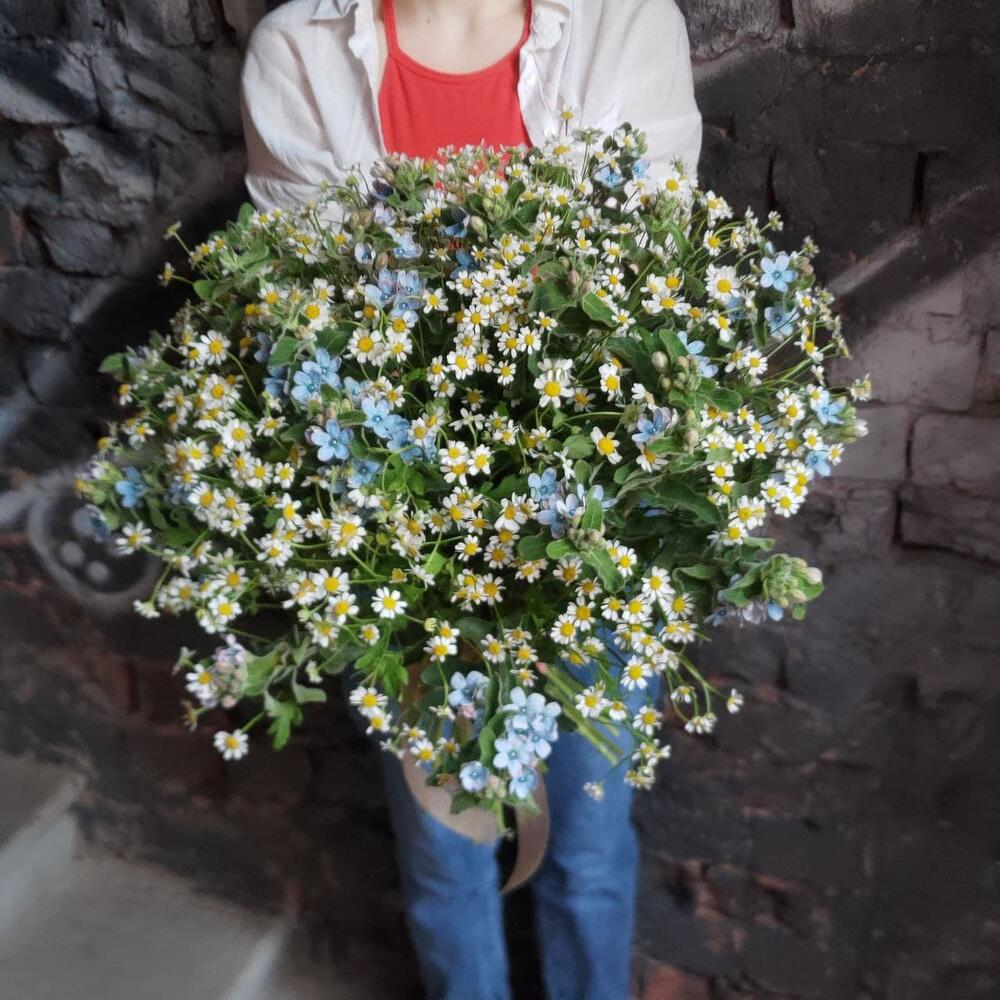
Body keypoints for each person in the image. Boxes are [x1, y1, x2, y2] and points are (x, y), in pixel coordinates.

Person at [239, 2, 703, 997]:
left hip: (599, 538)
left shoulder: (627, 24)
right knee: (446, 855)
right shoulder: (298, 48)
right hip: (409, 556)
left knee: (587, 848)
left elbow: (650, 278)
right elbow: (305, 316)